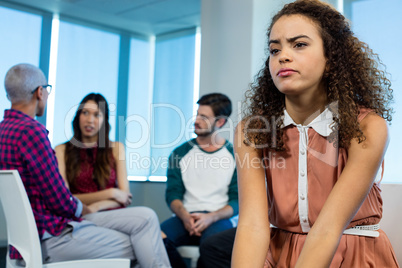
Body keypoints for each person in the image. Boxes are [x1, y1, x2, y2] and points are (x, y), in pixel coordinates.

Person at [231, 0, 399, 267]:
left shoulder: (368, 126)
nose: (283, 56)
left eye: (299, 44)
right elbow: (252, 226)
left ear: (331, 58)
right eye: (275, 49)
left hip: (351, 254)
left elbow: (328, 228)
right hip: (280, 254)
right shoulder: (251, 131)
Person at [0, 63, 170, 268]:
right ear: (39, 92)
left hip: (37, 232)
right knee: (145, 242)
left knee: (146, 217)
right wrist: (87, 209)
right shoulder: (33, 133)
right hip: (53, 234)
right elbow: (59, 198)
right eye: (47, 90)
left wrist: (88, 208)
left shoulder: (4, 130)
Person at [55, 93, 171, 267]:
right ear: (77, 116)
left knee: (160, 239)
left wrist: (97, 205)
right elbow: (65, 197)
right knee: (148, 228)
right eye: (85, 113)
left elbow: (124, 197)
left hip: (110, 214)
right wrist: (111, 193)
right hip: (79, 217)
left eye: (97, 115)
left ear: (104, 120)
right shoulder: (61, 150)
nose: (90, 120)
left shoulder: (116, 148)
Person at [160, 93, 238, 267]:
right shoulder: (179, 153)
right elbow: (172, 194)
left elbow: (237, 200)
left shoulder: (234, 156)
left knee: (213, 246)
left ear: (220, 122)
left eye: (204, 117)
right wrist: (185, 216)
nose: (196, 120)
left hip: (218, 218)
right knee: (155, 238)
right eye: (197, 114)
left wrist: (211, 217)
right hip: (184, 217)